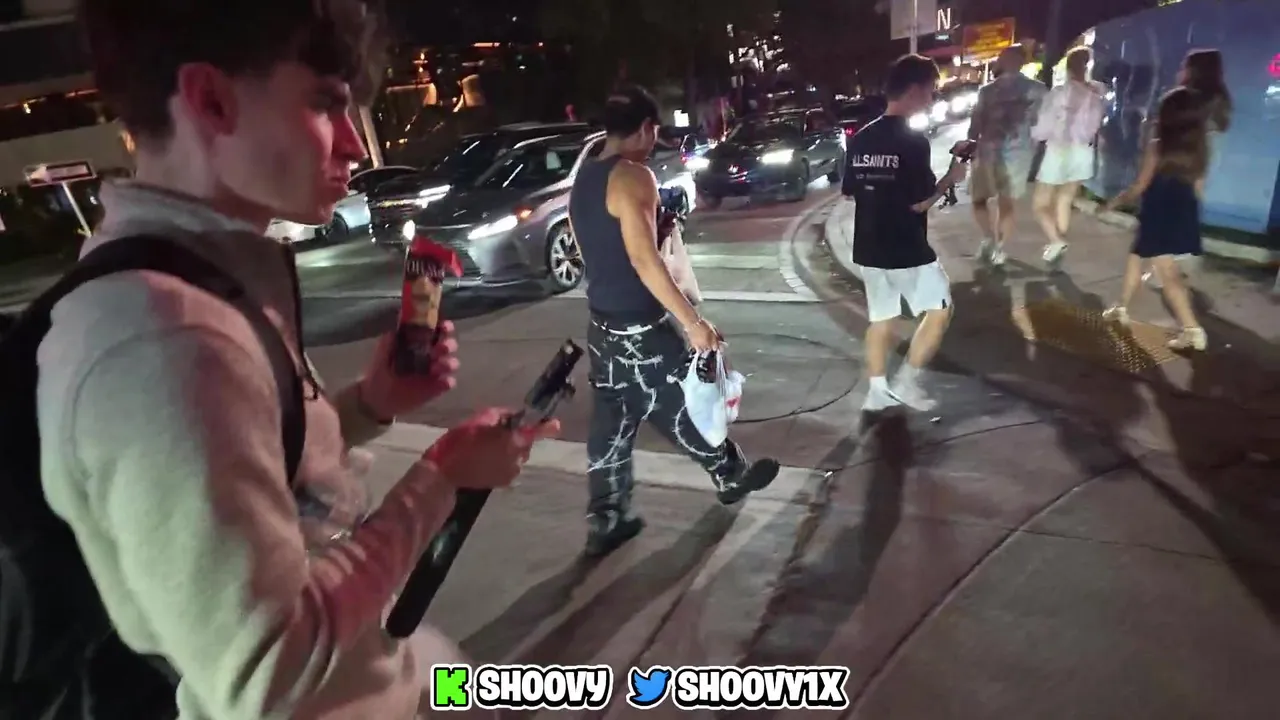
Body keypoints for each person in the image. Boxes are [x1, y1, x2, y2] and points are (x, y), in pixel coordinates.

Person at [37, 1, 557, 717]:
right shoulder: (159, 337)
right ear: (210, 99)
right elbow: (269, 673)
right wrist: (444, 477)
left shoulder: (193, 280)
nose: (355, 146)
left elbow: (260, 473)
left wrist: (369, 405)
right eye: (324, 103)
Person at [569, 84, 780, 557]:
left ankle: (606, 517)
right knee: (685, 403)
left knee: (612, 422)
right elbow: (645, 261)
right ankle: (729, 474)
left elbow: (588, 243)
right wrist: (692, 322)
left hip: (602, 325)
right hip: (641, 328)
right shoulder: (633, 176)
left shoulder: (585, 173)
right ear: (646, 128)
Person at [843, 55, 967, 412]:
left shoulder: (861, 137)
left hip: (868, 244)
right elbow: (919, 203)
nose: (932, 98)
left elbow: (849, 191)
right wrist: (951, 178)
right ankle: (907, 384)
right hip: (906, 246)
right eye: (930, 91)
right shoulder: (912, 142)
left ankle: (877, 392)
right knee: (940, 310)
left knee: (882, 318)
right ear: (914, 90)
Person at [1101, 86, 1210, 351]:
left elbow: (1141, 185)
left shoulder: (1158, 146)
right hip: (1182, 211)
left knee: (1168, 275)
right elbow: (1198, 188)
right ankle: (1121, 307)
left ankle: (1192, 330)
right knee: (1137, 255)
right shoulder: (1199, 149)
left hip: (1158, 213)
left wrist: (1116, 200)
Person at [1142, 48, 1232, 289]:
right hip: (1202, 159)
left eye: (1185, 66)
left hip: (1181, 160)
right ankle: (1180, 259)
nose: (1181, 70)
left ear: (1194, 70)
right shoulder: (1220, 98)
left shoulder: (1186, 98)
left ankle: (1165, 268)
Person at [967, 45, 1048, 267]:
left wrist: (969, 144)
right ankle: (998, 247)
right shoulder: (1038, 90)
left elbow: (976, 123)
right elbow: (1043, 124)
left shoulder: (987, 91)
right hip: (1018, 153)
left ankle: (990, 239)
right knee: (1006, 203)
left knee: (979, 199)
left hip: (988, 152)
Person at [1030, 46, 1106, 268]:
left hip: (1059, 150)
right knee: (1064, 199)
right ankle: (1057, 246)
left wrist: (1035, 136)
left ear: (1068, 67)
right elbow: (1095, 126)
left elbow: (1043, 126)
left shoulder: (1059, 93)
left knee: (1040, 204)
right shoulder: (1096, 94)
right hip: (1082, 152)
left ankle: (1056, 241)